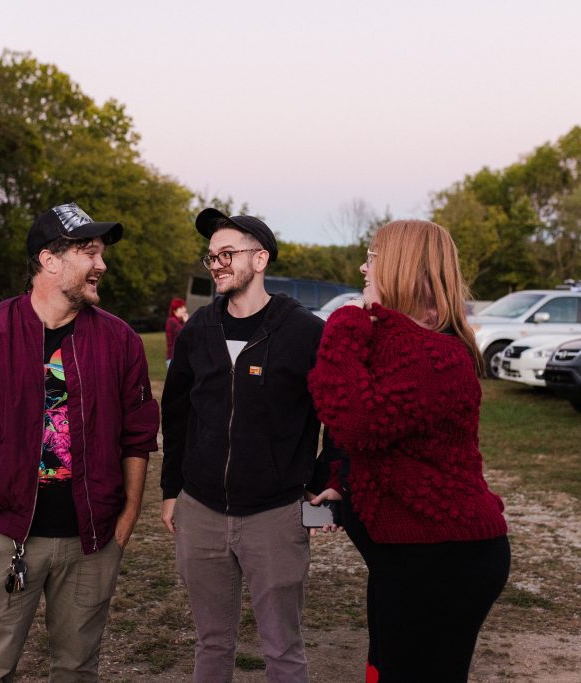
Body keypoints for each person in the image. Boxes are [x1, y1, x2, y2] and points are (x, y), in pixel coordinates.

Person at [0, 202, 159, 682]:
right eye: (89, 253)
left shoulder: (121, 342)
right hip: (5, 534)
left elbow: (138, 436)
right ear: (48, 261)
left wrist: (128, 516)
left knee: (76, 668)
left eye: (100, 254)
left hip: (91, 539)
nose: (102, 265)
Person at [307, 220, 510, 683]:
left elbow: (355, 421)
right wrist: (345, 487)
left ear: (401, 267)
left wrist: (342, 323)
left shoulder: (435, 355)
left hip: (444, 562)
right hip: (406, 557)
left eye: (373, 257)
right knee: (385, 669)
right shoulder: (399, 345)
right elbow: (385, 444)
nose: (364, 266)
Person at [160, 208, 326, 682]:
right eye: (211, 255)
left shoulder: (305, 332)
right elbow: (176, 416)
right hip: (202, 511)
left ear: (261, 259)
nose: (216, 263)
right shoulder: (197, 330)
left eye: (227, 253)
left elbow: (337, 416)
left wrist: (320, 489)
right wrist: (173, 490)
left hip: (275, 515)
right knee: (211, 644)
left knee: (282, 649)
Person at [165, 297, 188, 368]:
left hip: (178, 359)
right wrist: (187, 322)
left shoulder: (178, 322)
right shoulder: (172, 321)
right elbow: (184, 334)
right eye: (181, 308)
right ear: (174, 311)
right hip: (174, 359)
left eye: (184, 307)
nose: (184, 309)